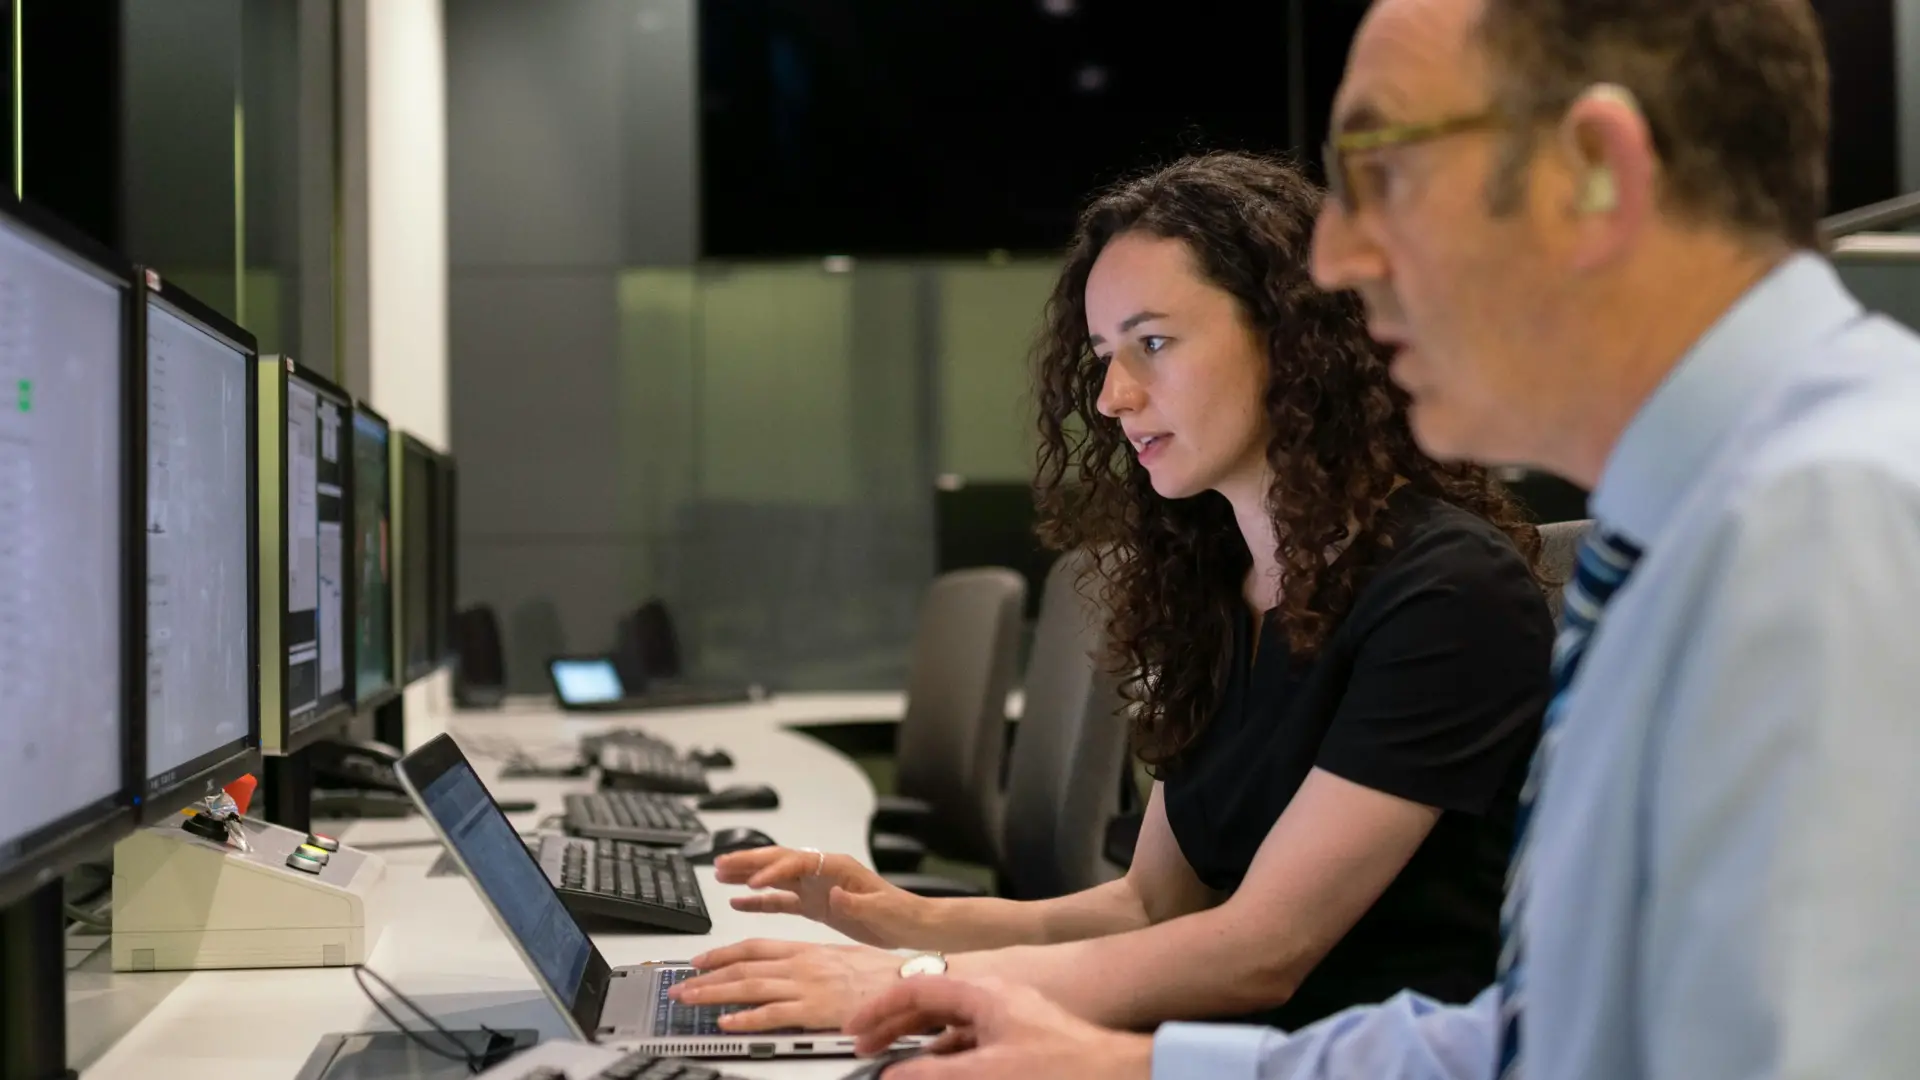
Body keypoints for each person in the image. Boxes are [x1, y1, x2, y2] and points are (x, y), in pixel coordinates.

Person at [842, 0, 1920, 1077]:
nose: (1340, 260)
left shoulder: (1828, 523)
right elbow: (1550, 1040)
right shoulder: (1693, 527)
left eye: (1380, 176)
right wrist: (1127, 1067)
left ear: (1596, 171)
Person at [668, 152, 1554, 1037]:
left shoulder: (1446, 592)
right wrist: (895, 918)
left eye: (1154, 344)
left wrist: (907, 981)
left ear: (1292, 337)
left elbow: (1263, 952)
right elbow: (1148, 908)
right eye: (1102, 356)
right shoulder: (1214, 588)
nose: (1112, 397)